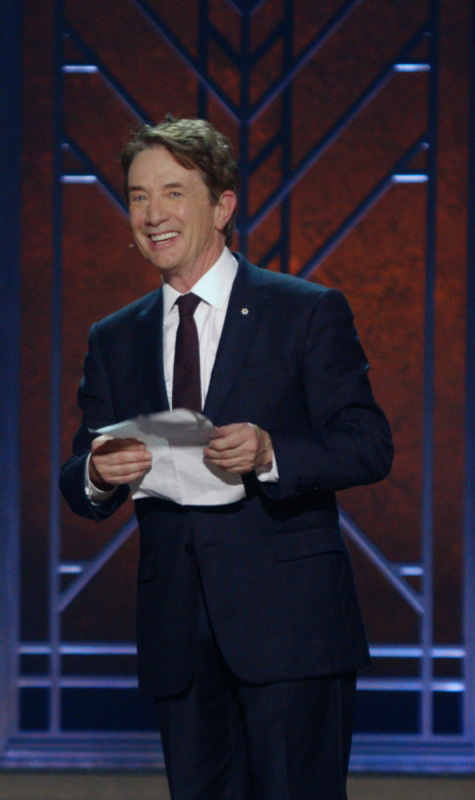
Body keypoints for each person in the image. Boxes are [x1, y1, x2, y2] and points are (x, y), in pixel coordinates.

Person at [59, 116, 392, 799]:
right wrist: (96, 473)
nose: (153, 215)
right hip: (178, 635)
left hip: (292, 632)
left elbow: (367, 442)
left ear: (223, 205)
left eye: (174, 193)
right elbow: (76, 473)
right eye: (138, 196)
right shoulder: (116, 337)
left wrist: (273, 452)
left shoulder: (302, 312)